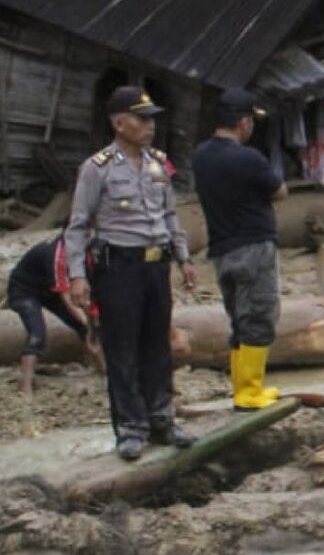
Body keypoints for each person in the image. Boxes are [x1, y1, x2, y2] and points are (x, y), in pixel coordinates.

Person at [66, 86, 199, 460]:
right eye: (141, 119)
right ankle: (130, 428)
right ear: (118, 122)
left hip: (156, 266)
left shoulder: (158, 164)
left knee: (157, 345)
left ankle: (162, 419)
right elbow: (77, 226)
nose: (149, 126)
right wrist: (76, 275)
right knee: (122, 347)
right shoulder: (97, 168)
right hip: (118, 267)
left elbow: (171, 215)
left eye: (152, 119)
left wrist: (184, 258)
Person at [191, 88, 287, 410]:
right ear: (244, 122)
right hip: (254, 245)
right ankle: (249, 392)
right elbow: (279, 191)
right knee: (259, 314)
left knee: (238, 317)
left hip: (222, 249)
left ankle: (240, 389)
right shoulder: (249, 158)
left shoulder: (201, 156)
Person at [7, 238, 100, 396]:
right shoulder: (57, 253)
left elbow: (89, 292)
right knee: (37, 333)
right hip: (25, 290)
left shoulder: (89, 254)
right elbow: (66, 297)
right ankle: (25, 386)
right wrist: (88, 322)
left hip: (51, 291)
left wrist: (93, 322)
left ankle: (103, 372)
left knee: (86, 329)